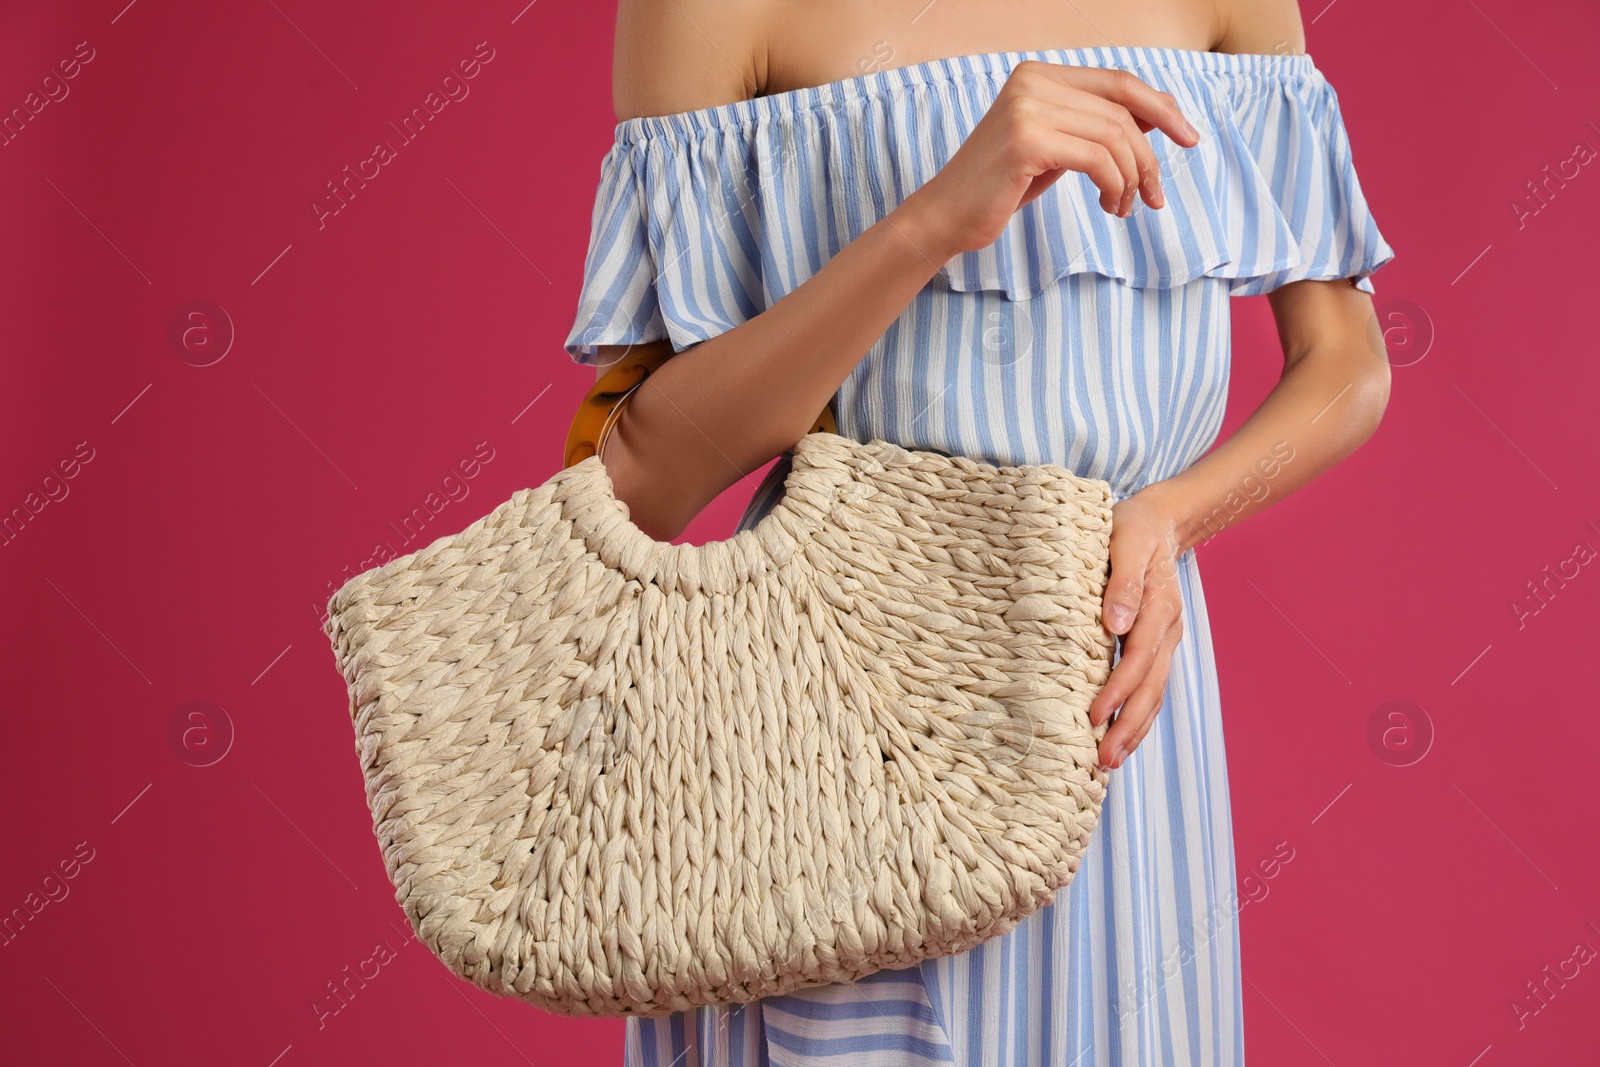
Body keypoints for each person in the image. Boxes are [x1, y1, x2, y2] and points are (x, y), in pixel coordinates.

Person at [561, 0, 1397, 1060]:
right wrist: (929, 222)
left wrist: (1166, 518)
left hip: (1118, 701)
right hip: (836, 722)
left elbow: (1348, 364)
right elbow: (638, 484)